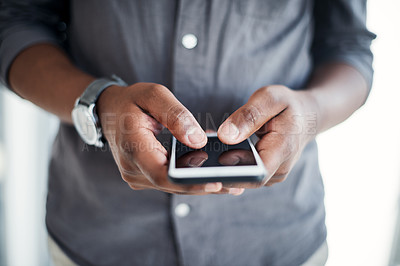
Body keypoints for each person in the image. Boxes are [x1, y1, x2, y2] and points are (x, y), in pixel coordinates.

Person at [0, 0, 375, 265]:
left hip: (277, 238)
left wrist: (310, 112)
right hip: (99, 235)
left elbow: (348, 48)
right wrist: (100, 107)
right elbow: (15, 24)